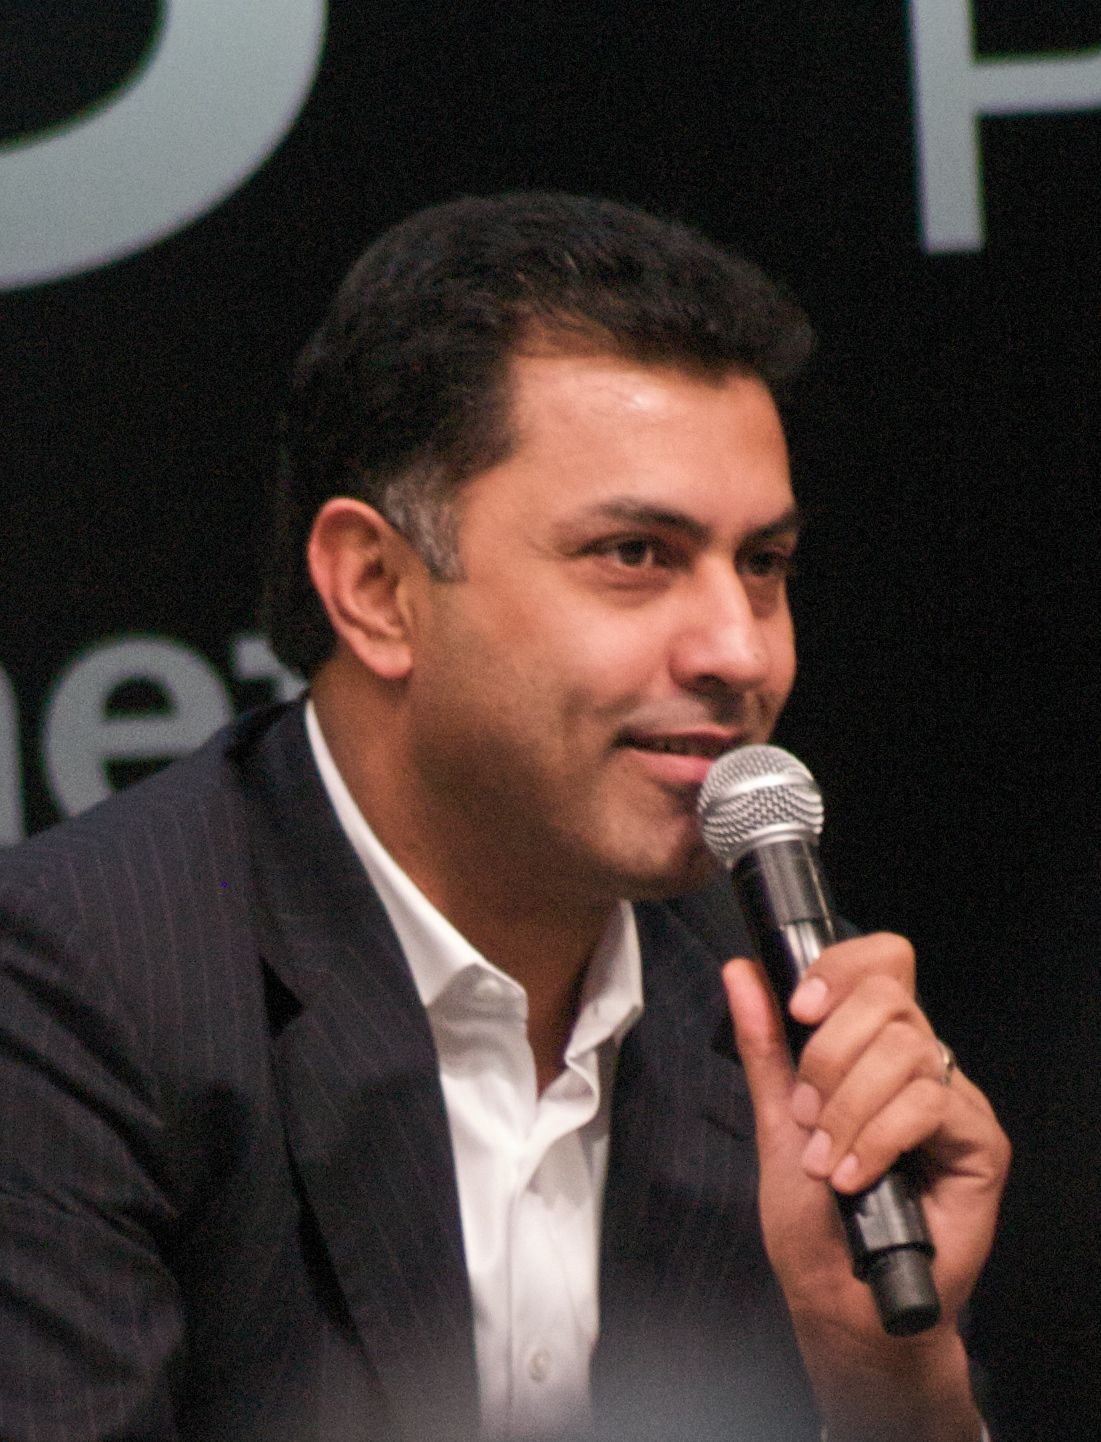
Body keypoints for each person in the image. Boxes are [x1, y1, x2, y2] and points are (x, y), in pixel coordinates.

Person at [0, 192, 1008, 1442]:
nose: (740, 650)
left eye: (763, 564)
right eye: (635, 554)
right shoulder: (74, 987)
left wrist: (887, 1384)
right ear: (378, 588)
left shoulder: (771, 1003)